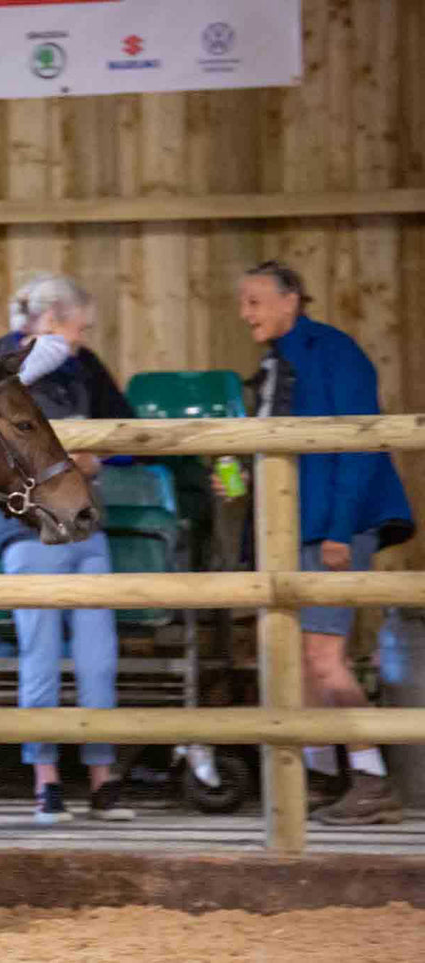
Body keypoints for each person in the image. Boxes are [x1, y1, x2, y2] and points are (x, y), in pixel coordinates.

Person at [231, 260, 414, 825]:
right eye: (244, 303)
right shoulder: (273, 365)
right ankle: (319, 777)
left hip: (331, 525)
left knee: (323, 657)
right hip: (290, 525)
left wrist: (339, 531)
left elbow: (358, 440)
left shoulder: (334, 350)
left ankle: (370, 777)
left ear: (291, 301)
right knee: (300, 660)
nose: (246, 314)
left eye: (256, 301)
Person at [0, 273, 136, 825]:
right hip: (29, 529)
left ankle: (103, 777)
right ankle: (46, 781)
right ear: (51, 319)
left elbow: (131, 436)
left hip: (85, 526)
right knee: (41, 657)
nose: (81, 337)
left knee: (100, 658)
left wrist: (101, 456)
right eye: (77, 327)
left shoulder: (85, 366)